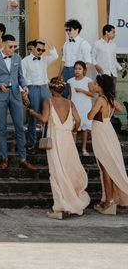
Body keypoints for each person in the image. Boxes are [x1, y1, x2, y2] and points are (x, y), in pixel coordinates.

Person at [28, 77, 90, 220]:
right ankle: (69, 201)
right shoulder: (69, 102)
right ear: (62, 89)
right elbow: (79, 120)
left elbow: (43, 119)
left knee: (56, 171)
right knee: (68, 169)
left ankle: (61, 206)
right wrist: (73, 130)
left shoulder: (48, 101)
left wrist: (33, 113)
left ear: (50, 89)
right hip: (67, 139)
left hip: (55, 139)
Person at [0, 34, 36, 172]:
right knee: (1, 128)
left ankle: (23, 158)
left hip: (15, 95)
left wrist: (24, 86)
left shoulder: (17, 58)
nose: (13, 49)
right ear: (3, 45)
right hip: (0, 96)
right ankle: (4, 158)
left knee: (20, 127)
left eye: (15, 47)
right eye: (10, 47)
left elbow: (20, 76)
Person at [88, 74, 128, 214]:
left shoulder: (100, 99)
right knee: (108, 165)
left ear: (101, 86)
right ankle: (108, 199)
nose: (94, 86)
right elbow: (120, 109)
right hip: (108, 130)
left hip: (101, 132)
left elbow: (90, 116)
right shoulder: (110, 99)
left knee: (105, 167)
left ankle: (110, 201)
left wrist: (96, 107)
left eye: (96, 84)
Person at [21, 39, 58, 152]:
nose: (41, 52)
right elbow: (22, 77)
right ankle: (32, 143)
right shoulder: (25, 61)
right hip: (32, 88)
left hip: (44, 88)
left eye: (43, 50)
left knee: (48, 115)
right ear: (32, 48)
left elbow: (55, 55)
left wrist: (47, 43)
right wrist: (24, 93)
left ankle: (46, 141)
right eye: (39, 49)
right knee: (33, 116)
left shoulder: (44, 59)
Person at [68, 61, 94, 156]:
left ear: (84, 70)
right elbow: (70, 95)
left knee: (84, 129)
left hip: (85, 107)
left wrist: (82, 91)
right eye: (75, 69)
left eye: (79, 69)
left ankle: (84, 148)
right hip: (75, 106)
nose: (77, 71)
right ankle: (73, 149)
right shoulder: (70, 81)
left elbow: (92, 94)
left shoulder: (88, 80)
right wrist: (68, 105)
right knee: (73, 127)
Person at [59, 19, 91, 98]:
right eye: (66, 30)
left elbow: (88, 63)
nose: (68, 32)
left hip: (77, 71)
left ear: (77, 30)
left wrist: (85, 79)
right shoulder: (66, 43)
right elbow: (63, 60)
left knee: (76, 95)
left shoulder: (84, 43)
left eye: (69, 29)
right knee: (65, 94)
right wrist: (59, 75)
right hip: (66, 71)